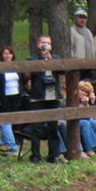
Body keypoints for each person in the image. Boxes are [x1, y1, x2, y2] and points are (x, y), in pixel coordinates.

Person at [25, 35, 65, 164]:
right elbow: (29, 73)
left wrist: (50, 59)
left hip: (53, 98)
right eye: (43, 43)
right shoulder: (32, 59)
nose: (46, 45)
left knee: (53, 127)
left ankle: (53, 156)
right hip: (39, 97)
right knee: (36, 128)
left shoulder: (57, 58)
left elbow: (61, 71)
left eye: (48, 43)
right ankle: (35, 156)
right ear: (38, 45)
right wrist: (43, 60)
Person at [69, 8, 95, 78]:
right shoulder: (71, 31)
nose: (82, 20)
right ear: (75, 18)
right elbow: (70, 48)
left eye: (84, 18)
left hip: (89, 64)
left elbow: (92, 48)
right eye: (80, 17)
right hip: (77, 65)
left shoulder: (88, 32)